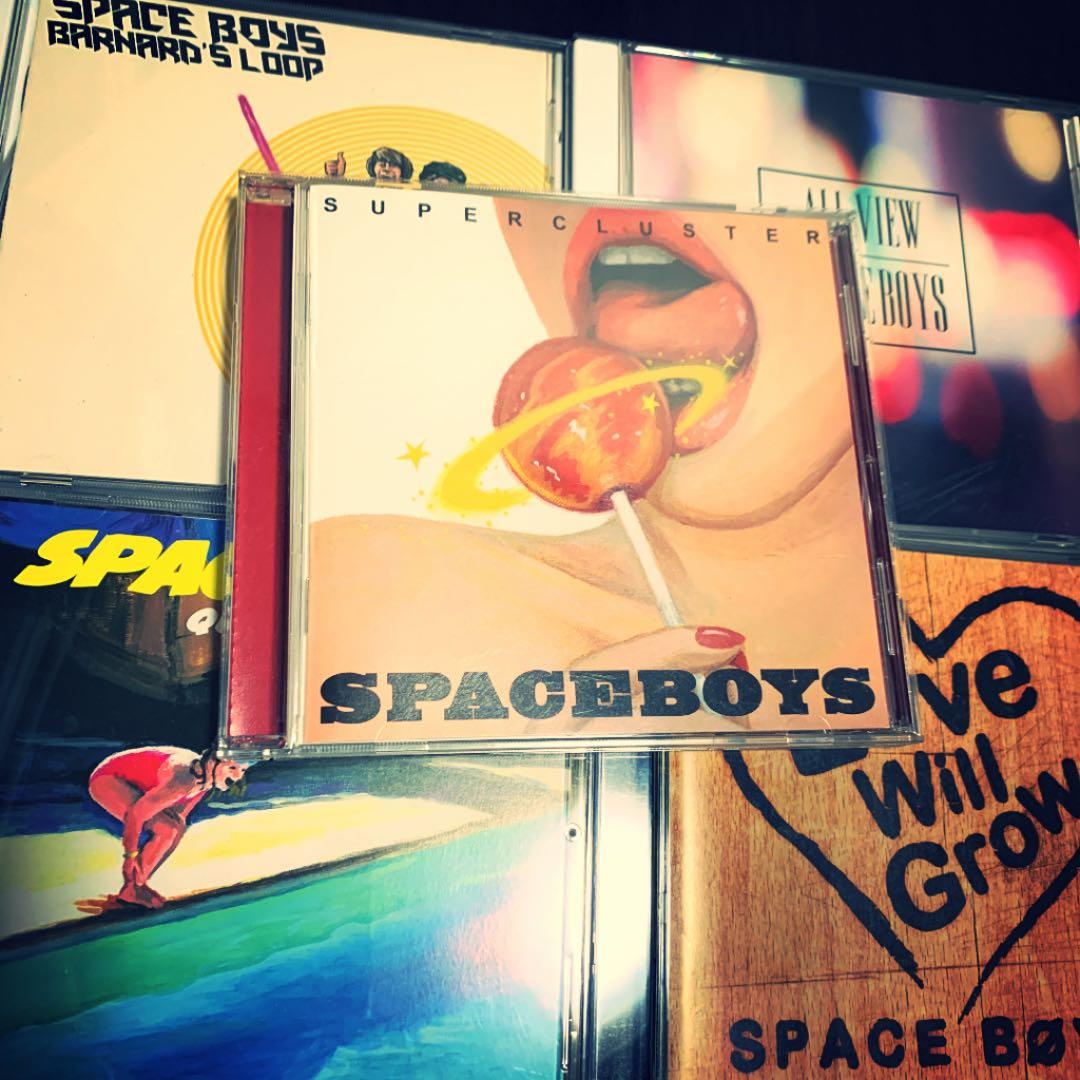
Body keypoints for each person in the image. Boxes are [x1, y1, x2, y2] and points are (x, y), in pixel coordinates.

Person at [88, 746, 247, 908]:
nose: (238, 776)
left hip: (139, 782)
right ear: (212, 763)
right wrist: (129, 857)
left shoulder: (204, 781)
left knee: (176, 827)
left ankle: (137, 885)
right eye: (232, 768)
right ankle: (131, 887)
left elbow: (179, 818)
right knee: (167, 829)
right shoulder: (182, 779)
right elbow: (135, 816)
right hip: (106, 779)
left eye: (243, 770)